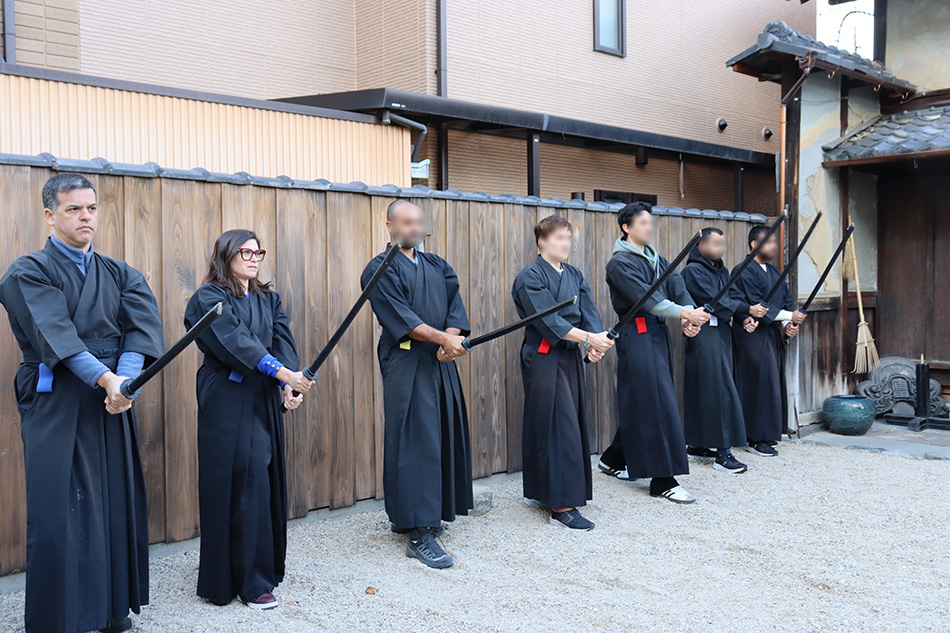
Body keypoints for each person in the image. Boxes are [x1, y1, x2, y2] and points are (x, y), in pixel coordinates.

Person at [0, 174, 164, 633]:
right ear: (50, 214)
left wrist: (125, 383)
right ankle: (58, 619)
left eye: (90, 208)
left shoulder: (120, 272)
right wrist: (107, 379)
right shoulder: (27, 271)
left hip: (113, 400)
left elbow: (140, 329)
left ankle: (112, 609)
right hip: (58, 398)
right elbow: (58, 336)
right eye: (73, 209)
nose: (85, 216)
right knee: (61, 507)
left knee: (114, 500)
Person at [184, 229, 314, 610]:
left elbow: (281, 340)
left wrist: (289, 383)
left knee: (262, 479)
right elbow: (235, 341)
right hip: (225, 395)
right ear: (226, 254)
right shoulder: (208, 298)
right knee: (241, 479)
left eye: (259, 252)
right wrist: (282, 374)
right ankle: (243, 581)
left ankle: (258, 569)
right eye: (246, 251)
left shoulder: (268, 298)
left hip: (262, 395)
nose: (254, 258)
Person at [362, 199, 473, 569]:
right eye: (406, 222)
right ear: (390, 226)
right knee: (414, 440)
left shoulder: (437, 264)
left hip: (440, 363)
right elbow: (403, 319)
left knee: (440, 432)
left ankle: (431, 512)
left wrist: (452, 341)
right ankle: (417, 531)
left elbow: (454, 307)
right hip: (406, 361)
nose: (414, 229)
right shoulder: (379, 270)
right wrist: (443, 339)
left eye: (418, 223)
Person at [596, 201, 710, 504]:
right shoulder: (620, 263)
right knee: (657, 401)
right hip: (636, 334)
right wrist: (685, 312)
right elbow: (649, 301)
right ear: (626, 227)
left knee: (643, 398)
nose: (649, 227)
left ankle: (613, 459)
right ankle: (663, 480)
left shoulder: (655, 257)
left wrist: (688, 316)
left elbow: (675, 284)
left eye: (650, 222)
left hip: (657, 334)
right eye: (642, 223)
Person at [511, 215, 613, 530]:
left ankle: (541, 490)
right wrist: (587, 338)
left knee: (563, 422)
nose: (564, 244)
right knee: (557, 425)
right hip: (543, 355)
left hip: (568, 355)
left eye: (567, 238)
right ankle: (561, 505)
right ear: (541, 241)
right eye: (557, 238)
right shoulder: (529, 277)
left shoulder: (573, 273)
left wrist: (595, 342)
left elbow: (589, 311)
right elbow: (548, 321)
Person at [681, 227, 755, 474]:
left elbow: (731, 296)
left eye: (723, 244)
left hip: (722, 333)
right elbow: (716, 300)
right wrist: (747, 309)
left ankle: (700, 443)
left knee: (712, 387)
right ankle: (723, 452)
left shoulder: (721, 270)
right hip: (703, 334)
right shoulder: (692, 271)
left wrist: (744, 317)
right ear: (700, 245)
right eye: (715, 244)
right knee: (716, 389)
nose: (720, 249)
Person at [730, 225, 806, 457]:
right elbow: (755, 303)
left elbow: (785, 300)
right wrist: (787, 317)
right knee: (759, 384)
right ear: (754, 244)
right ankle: (754, 436)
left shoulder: (774, 272)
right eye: (768, 242)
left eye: (774, 242)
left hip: (772, 335)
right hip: (751, 335)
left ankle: (767, 434)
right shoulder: (743, 269)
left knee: (771, 384)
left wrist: (787, 325)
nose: (773, 246)